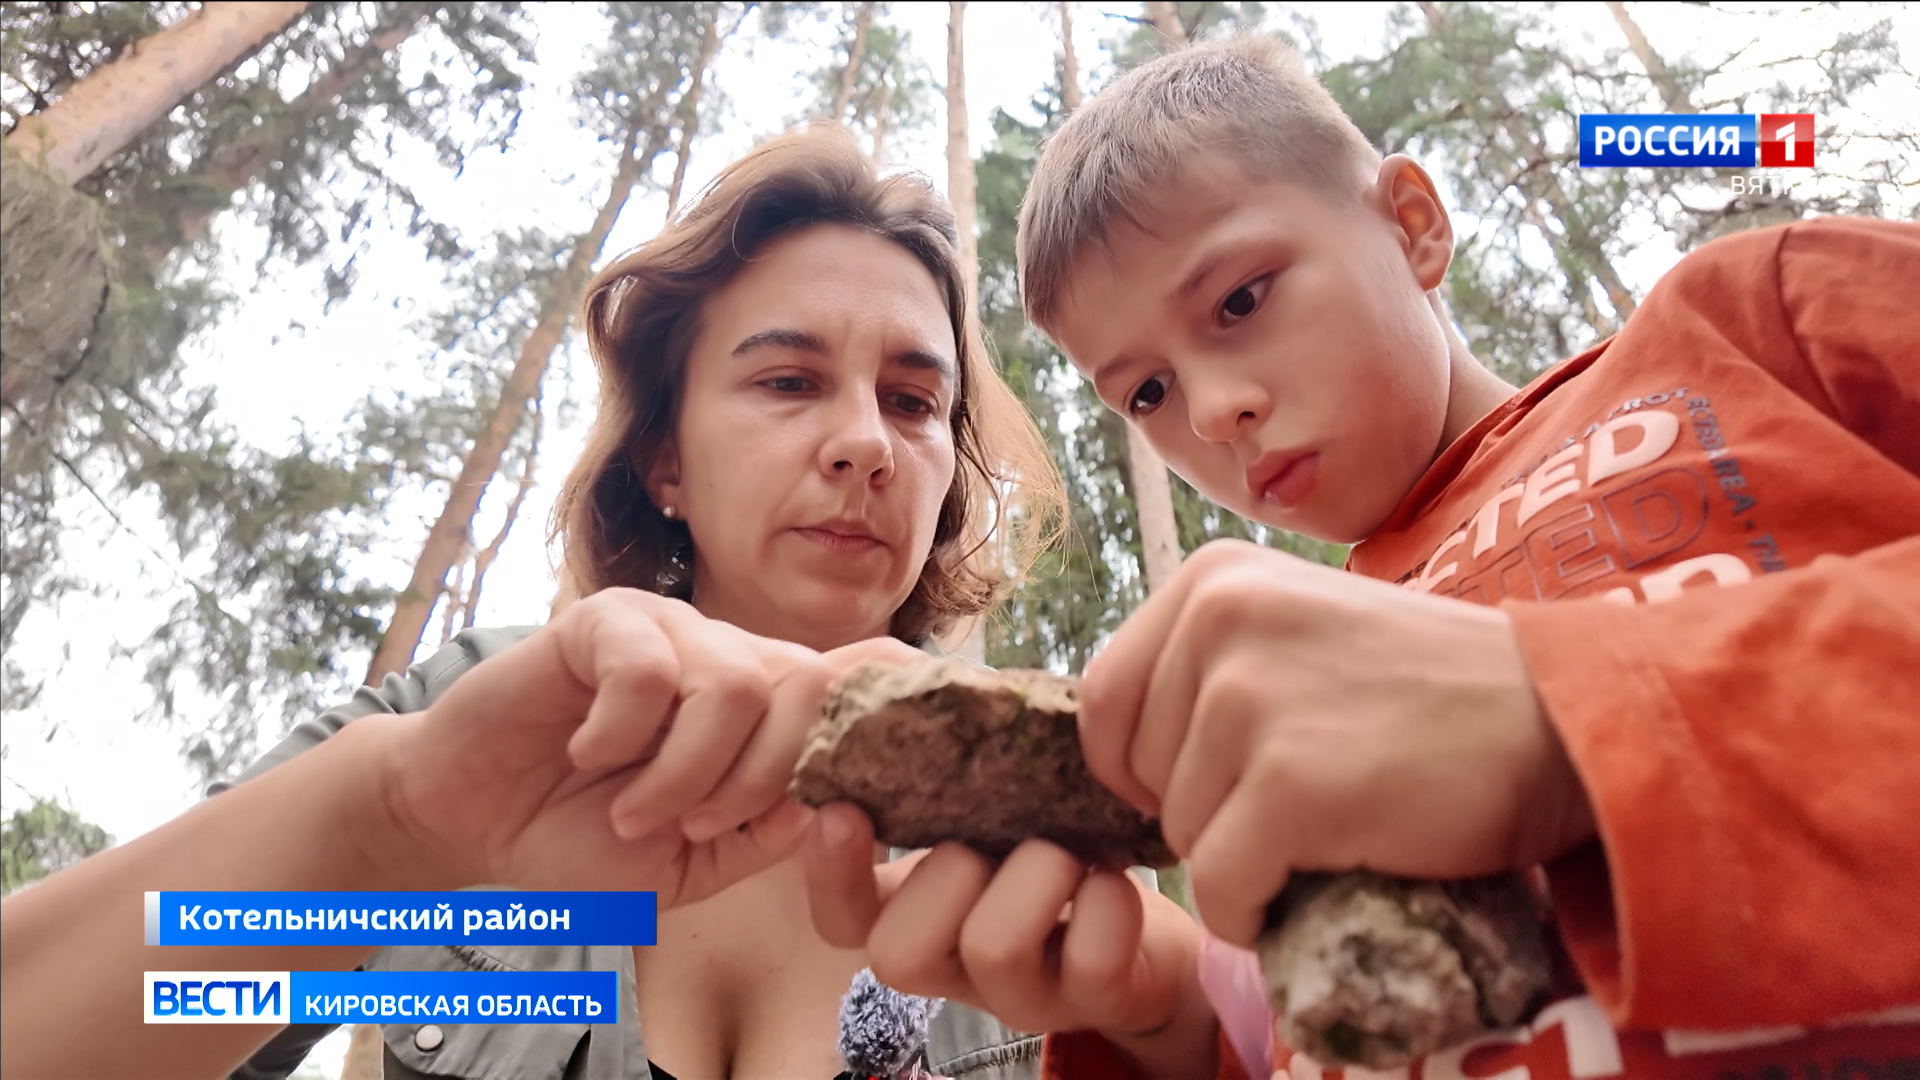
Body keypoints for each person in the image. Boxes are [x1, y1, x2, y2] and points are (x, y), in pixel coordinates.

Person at [0, 125, 1225, 1080]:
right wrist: (392, 823)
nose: (865, 441)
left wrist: (1177, 1025)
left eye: (913, 403)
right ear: (665, 461)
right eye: (788, 381)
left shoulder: (1041, 815)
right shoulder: (473, 724)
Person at [839, 33, 1918, 1080]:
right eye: (1148, 392)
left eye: (1240, 300)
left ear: (1412, 224)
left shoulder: (1752, 324)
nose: (1211, 412)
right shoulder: (1290, 691)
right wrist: (1171, 1017)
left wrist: (1570, 717)